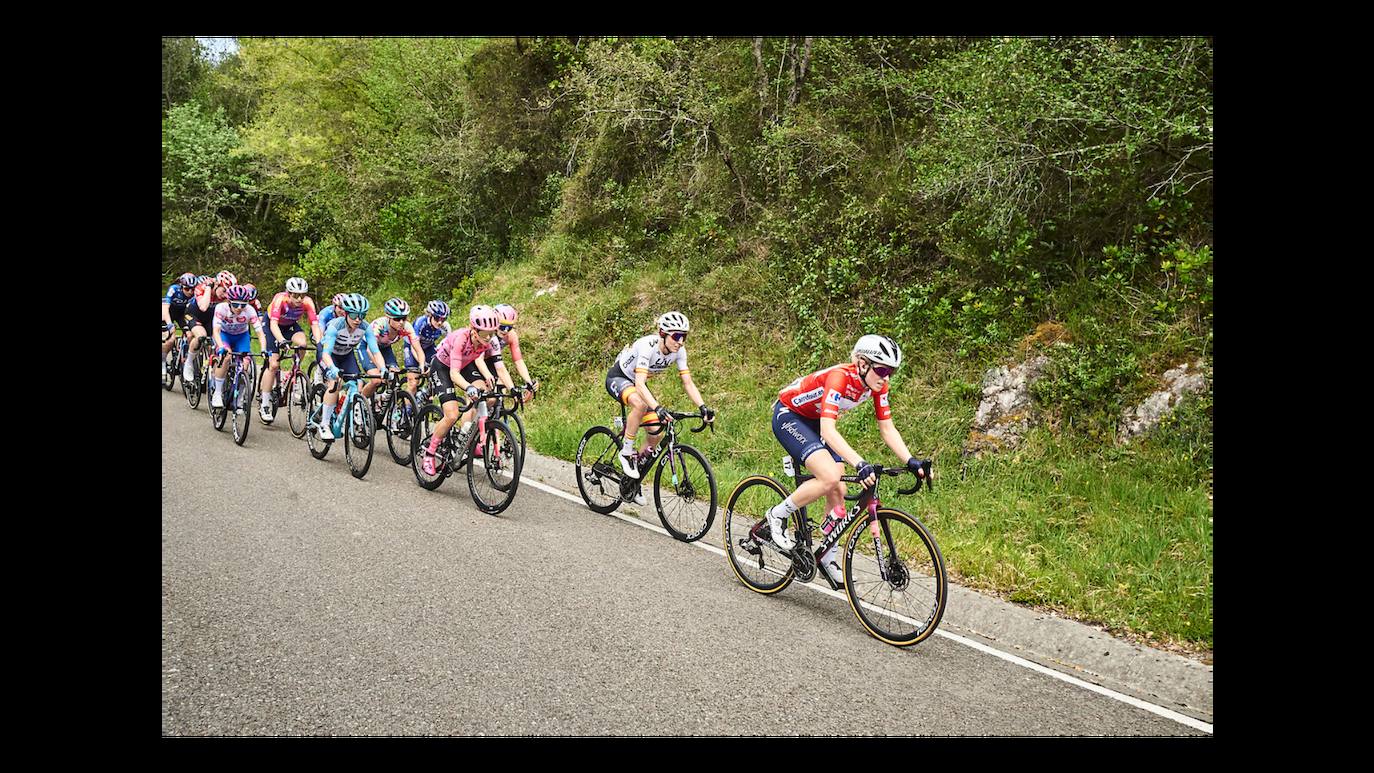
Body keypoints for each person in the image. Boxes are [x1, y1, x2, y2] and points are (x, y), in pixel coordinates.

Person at [765, 334, 928, 585]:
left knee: (839, 488)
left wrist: (910, 460)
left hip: (817, 423)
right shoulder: (840, 377)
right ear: (863, 364)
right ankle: (776, 515)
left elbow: (887, 428)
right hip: (791, 416)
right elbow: (829, 430)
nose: (886, 378)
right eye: (882, 370)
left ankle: (827, 556)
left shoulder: (878, 385)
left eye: (891, 372)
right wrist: (860, 463)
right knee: (829, 477)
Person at [604, 312, 715, 504]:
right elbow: (639, 384)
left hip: (638, 384)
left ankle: (632, 481)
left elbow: (687, 382)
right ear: (663, 334)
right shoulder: (648, 346)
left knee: (656, 433)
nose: (680, 342)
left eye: (684, 337)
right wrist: (657, 407)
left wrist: (703, 406)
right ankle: (626, 452)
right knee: (640, 404)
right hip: (619, 378)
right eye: (676, 336)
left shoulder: (679, 352)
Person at [419, 305, 503, 477]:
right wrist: (468, 387)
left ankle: (466, 433)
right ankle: (429, 452)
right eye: (484, 334)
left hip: (465, 365)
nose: (488, 338)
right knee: (451, 415)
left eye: (492, 333)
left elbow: (499, 367)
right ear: (473, 329)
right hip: (443, 367)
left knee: (488, 396)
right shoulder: (461, 339)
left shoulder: (489, 341)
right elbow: (454, 374)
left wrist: (506, 386)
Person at [316, 294, 386, 441]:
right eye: (354, 315)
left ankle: (350, 416)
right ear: (346, 313)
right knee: (335, 383)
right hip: (328, 355)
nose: (358, 319)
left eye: (362, 315)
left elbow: (375, 351)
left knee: (358, 383)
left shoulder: (365, 327)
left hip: (346, 355)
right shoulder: (336, 326)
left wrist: (383, 368)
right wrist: (332, 369)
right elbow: (326, 354)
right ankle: (324, 424)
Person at [259, 277, 323, 421]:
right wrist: (281, 340)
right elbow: (274, 325)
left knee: (302, 344)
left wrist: (319, 344)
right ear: (288, 293)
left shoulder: (307, 302)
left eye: (302, 295)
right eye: (295, 295)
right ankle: (265, 403)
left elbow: (314, 324)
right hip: (272, 326)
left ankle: (295, 369)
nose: (299, 299)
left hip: (290, 325)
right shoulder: (280, 300)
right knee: (274, 365)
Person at [209, 284, 267, 410]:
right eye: (235, 304)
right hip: (224, 336)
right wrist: (220, 346)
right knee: (226, 357)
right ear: (229, 302)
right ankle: (217, 393)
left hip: (241, 336)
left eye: (243, 304)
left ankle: (239, 397)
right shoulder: (221, 308)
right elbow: (216, 330)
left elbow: (260, 333)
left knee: (245, 366)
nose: (240, 308)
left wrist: (263, 349)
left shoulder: (250, 310)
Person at [368, 297, 426, 409]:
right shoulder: (379, 325)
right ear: (388, 317)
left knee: (394, 376)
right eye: (397, 319)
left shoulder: (407, 327)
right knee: (376, 380)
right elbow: (371, 350)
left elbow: (418, 349)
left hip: (385, 348)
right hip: (368, 348)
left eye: (404, 318)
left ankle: (385, 402)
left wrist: (422, 366)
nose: (401, 322)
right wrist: (381, 368)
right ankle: (360, 403)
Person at [183, 271, 236, 384]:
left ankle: (213, 372)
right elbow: (203, 307)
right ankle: (189, 362)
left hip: (210, 317)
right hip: (194, 314)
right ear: (217, 284)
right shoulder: (202, 287)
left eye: (228, 292)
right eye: (224, 290)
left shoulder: (225, 295)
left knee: (216, 343)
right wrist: (208, 288)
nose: (226, 295)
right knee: (201, 336)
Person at [491, 303, 538, 402]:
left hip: (492, 362)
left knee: (501, 392)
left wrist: (528, 381)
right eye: (502, 327)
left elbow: (518, 361)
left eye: (509, 327)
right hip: (477, 361)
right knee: (487, 398)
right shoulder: (487, 334)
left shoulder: (511, 336)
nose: (505, 331)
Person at [407, 300, 451, 397]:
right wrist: (421, 363)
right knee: (413, 383)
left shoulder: (445, 327)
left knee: (437, 373)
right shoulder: (421, 323)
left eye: (443, 319)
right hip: (413, 347)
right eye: (436, 318)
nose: (440, 322)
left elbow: (449, 346)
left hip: (428, 347)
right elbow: (414, 347)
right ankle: (408, 409)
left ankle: (424, 396)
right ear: (430, 315)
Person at [162, 272, 197, 377]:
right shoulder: (174, 289)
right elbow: (165, 308)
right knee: (170, 340)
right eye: (187, 289)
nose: (190, 292)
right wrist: (169, 325)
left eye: (193, 289)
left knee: (190, 335)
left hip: (182, 314)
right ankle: (163, 362)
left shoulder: (195, 294)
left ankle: (186, 358)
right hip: (168, 313)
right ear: (181, 287)